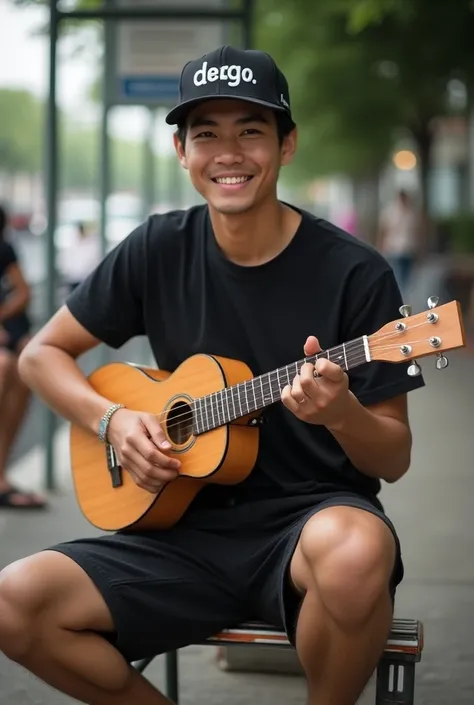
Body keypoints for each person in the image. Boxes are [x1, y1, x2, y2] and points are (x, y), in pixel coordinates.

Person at [0, 46, 424, 705]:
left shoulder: (357, 273)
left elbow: (393, 457)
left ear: (287, 145)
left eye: (250, 131)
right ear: (181, 150)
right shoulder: (158, 246)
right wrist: (110, 418)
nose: (228, 153)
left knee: (355, 552)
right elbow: (39, 355)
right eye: (207, 134)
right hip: (177, 529)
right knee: (13, 601)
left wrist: (340, 412)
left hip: (309, 523)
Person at [0, 205, 46, 509]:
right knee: (5, 367)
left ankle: (0, 475)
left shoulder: (4, 248)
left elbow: (24, 292)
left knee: (23, 373)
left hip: (9, 332)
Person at [377, 189, 422, 294]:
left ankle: (403, 294)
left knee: (407, 276)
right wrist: (381, 246)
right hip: (394, 248)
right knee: (398, 274)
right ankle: (400, 295)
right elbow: (384, 230)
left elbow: (416, 231)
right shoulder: (390, 212)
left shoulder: (411, 213)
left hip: (408, 249)